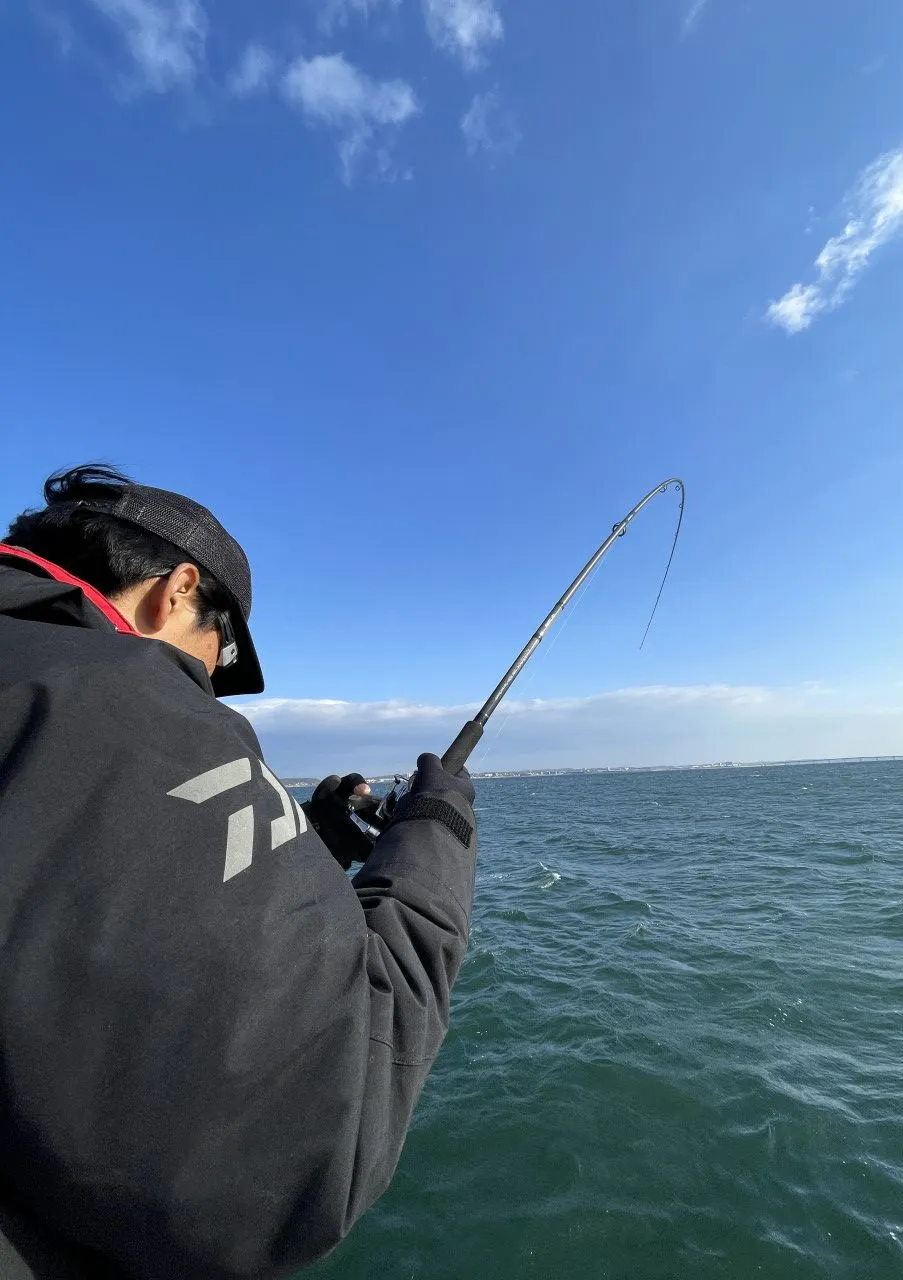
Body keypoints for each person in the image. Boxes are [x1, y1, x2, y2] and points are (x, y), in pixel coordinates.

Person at [0, 465, 478, 1279]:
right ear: (177, 591)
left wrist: (310, 840)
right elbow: (307, 1148)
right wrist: (434, 832)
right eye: (218, 653)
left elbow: (81, 907)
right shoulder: (125, 691)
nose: (212, 683)